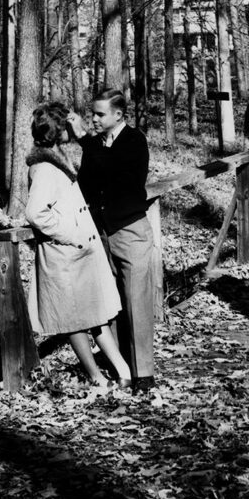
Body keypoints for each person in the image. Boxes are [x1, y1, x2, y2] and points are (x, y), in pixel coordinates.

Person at [24, 101, 132, 389]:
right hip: (64, 253)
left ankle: (122, 371)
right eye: (67, 124)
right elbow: (35, 213)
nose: (73, 127)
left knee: (94, 313)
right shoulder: (45, 167)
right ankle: (97, 376)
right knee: (75, 319)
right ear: (58, 129)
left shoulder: (55, 157)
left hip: (77, 253)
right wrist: (72, 235)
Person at [68, 90, 156, 392]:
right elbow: (87, 184)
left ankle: (144, 373)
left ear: (118, 115)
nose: (94, 118)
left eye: (100, 114)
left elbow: (112, 170)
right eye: (93, 113)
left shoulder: (134, 140)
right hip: (103, 232)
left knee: (137, 301)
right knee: (112, 302)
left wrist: (85, 139)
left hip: (131, 231)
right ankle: (120, 365)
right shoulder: (97, 146)